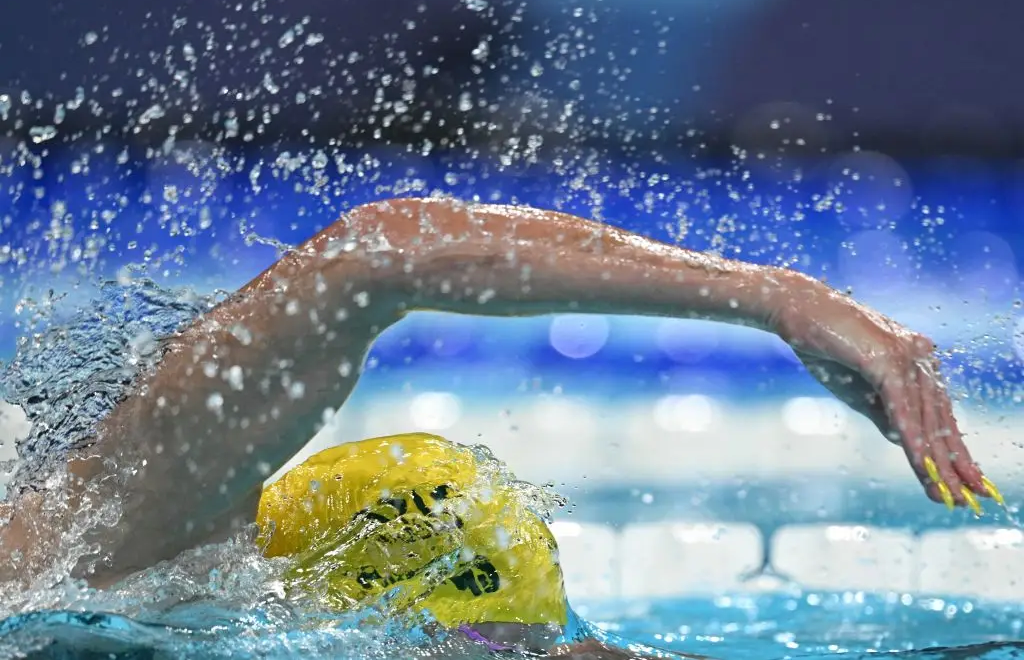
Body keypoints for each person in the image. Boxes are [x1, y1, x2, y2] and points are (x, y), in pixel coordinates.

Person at [0, 197, 1002, 658]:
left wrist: (781, 298)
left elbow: (369, 254)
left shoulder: (95, 540)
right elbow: (370, 254)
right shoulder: (94, 541)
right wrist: (778, 296)